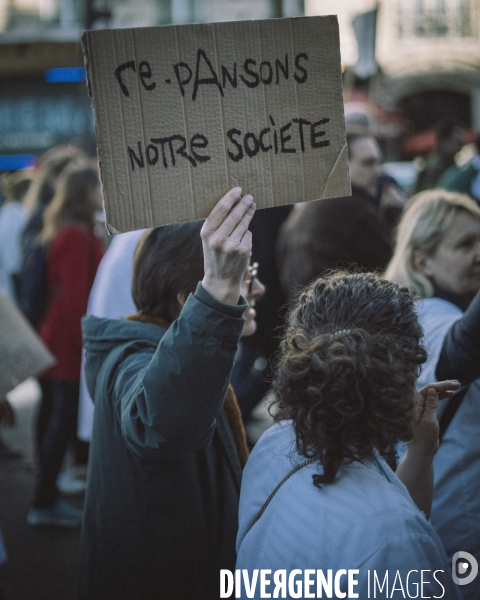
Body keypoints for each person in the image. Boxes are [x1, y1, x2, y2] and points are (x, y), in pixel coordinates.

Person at [80, 188, 265, 600]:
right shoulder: (130, 359)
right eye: (245, 275)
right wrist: (219, 285)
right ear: (189, 299)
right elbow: (158, 424)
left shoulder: (170, 353)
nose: (258, 289)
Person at [235, 271, 461, 599]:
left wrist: (420, 452)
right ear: (407, 372)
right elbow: (392, 532)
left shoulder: (274, 444)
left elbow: (385, 508)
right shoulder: (395, 539)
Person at [385, 190, 480, 600]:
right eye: (465, 245)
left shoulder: (413, 316)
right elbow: (463, 349)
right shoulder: (433, 318)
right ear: (421, 260)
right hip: (456, 517)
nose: (479, 253)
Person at [26, 164, 104, 528]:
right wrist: (88, 346)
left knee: (62, 416)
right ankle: (44, 499)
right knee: (63, 418)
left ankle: (47, 493)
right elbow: (76, 299)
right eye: (98, 188)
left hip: (61, 336)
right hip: (69, 341)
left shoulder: (71, 229)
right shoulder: (76, 235)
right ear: (84, 193)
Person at [276, 131, 406, 299]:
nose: (378, 171)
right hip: (341, 314)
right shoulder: (353, 209)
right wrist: (398, 216)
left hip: (308, 314)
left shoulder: (309, 206)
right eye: (368, 163)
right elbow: (397, 269)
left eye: (378, 162)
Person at [412, 117, 465, 194]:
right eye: (458, 142)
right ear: (444, 141)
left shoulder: (447, 162)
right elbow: (432, 195)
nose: (461, 147)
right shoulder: (436, 166)